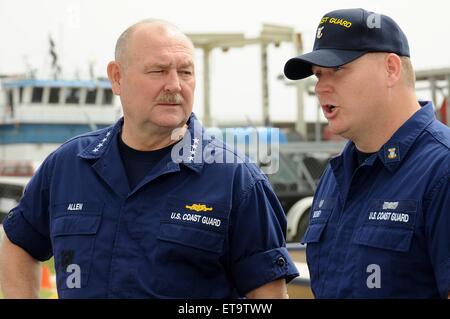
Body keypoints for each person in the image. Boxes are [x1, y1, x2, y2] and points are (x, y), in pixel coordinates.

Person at [0, 19, 298, 299]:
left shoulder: (237, 181)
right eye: (158, 71)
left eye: (185, 72)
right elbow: (18, 243)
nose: (174, 85)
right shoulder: (68, 166)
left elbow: (267, 296)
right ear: (117, 78)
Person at [284, 8, 450, 298]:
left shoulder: (442, 170)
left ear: (391, 69)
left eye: (337, 69)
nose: (321, 87)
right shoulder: (334, 178)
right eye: (318, 75)